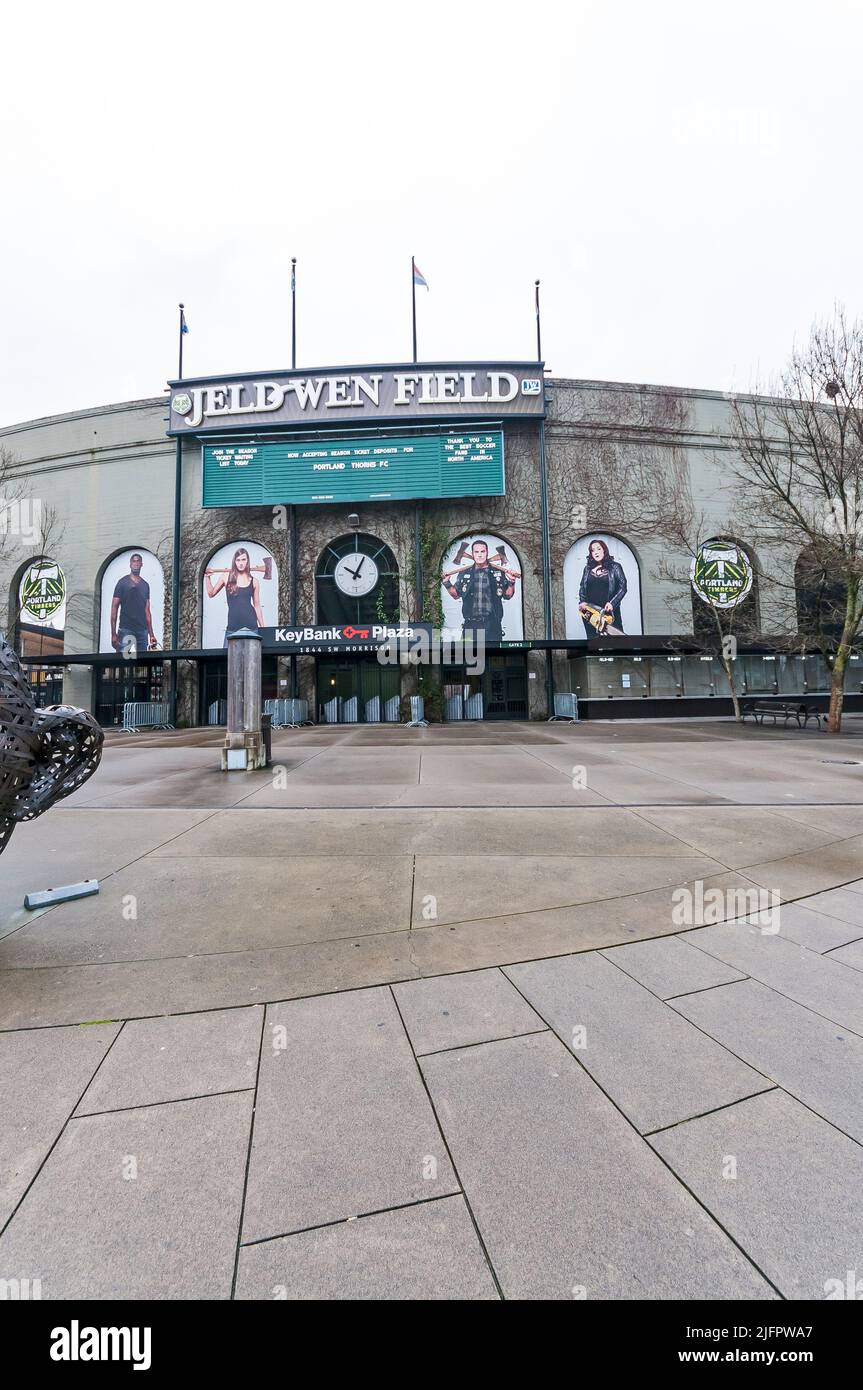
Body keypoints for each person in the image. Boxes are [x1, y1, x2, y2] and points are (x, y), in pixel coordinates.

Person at [443, 539, 517, 642]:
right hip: (470, 625)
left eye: (482, 551)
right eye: (476, 552)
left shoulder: (498, 572)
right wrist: (447, 583)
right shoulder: (464, 573)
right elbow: (456, 595)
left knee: (494, 657)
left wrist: (512, 582)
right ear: (472, 554)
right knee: (469, 657)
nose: (480, 555)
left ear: (487, 553)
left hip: (493, 625)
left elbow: (508, 595)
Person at [205, 547, 264, 647]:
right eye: (238, 560)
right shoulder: (226, 577)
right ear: (235, 561)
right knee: (227, 659)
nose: (241, 563)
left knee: (251, 660)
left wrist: (263, 628)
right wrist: (207, 577)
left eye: (243, 559)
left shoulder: (254, 581)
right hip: (232, 627)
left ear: (247, 561)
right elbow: (211, 593)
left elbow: (257, 606)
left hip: (251, 627)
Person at [578, 538, 628, 636]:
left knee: (617, 641)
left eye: (598, 549)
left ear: (604, 550)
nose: (596, 552)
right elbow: (582, 587)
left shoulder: (615, 567)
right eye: (593, 550)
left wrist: (612, 603)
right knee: (593, 641)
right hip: (591, 612)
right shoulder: (587, 569)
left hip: (609, 612)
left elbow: (623, 587)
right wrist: (582, 602)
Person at [111, 553, 157, 655]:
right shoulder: (122, 583)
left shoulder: (145, 585)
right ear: (130, 564)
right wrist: (113, 634)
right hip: (126, 628)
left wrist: (151, 634)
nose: (136, 563)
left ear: (141, 564)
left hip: (142, 630)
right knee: (126, 659)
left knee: (142, 662)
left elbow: (147, 611)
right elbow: (114, 607)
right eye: (134, 561)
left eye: (138, 561)